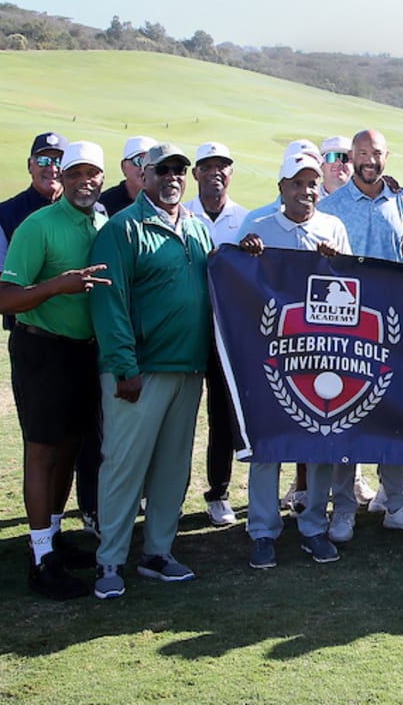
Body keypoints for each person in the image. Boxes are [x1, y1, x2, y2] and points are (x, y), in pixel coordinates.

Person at [89, 143, 215, 599]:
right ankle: (109, 559)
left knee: (172, 467)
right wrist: (124, 366)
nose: (172, 178)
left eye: (179, 171)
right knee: (124, 466)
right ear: (143, 176)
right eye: (162, 171)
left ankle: (157, 552)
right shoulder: (123, 229)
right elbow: (109, 301)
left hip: (188, 368)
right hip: (139, 372)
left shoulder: (198, 230)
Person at [0, 141, 112, 599]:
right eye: (77, 173)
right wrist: (56, 287)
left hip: (85, 354)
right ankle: (40, 556)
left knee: (71, 448)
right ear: (62, 177)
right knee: (43, 451)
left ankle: (54, 538)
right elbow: (7, 299)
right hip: (42, 351)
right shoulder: (37, 225)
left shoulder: (104, 223)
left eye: (93, 174)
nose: (86, 181)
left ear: (103, 179)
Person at [236, 153, 352, 568]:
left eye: (311, 184)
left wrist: (333, 260)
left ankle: (313, 527)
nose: (305, 192)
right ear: (281, 188)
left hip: (321, 353)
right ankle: (263, 530)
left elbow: (350, 289)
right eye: (296, 184)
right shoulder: (259, 227)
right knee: (268, 444)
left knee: (319, 438)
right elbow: (237, 283)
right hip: (271, 352)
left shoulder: (333, 227)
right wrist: (247, 255)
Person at [317, 130, 403, 542]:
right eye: (362, 153)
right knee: (345, 418)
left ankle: (398, 506)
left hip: (392, 328)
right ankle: (344, 508)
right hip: (344, 329)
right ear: (352, 156)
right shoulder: (328, 207)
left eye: (377, 153)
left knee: (392, 420)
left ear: (387, 157)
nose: (369, 160)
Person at [183, 141, 249, 527]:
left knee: (223, 416)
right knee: (178, 416)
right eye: (207, 167)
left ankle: (218, 493)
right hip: (186, 329)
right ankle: (163, 493)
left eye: (222, 166)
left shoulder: (245, 218)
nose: (215, 173)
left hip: (228, 332)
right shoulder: (183, 213)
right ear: (196, 174)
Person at [0, 132, 67, 276]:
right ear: (30, 166)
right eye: (43, 161)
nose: (53, 168)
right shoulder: (2, 215)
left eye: (59, 161)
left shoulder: (87, 211)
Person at [99, 135, 156, 216]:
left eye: (152, 162)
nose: (145, 168)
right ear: (123, 166)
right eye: (140, 161)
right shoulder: (103, 204)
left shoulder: (166, 202)